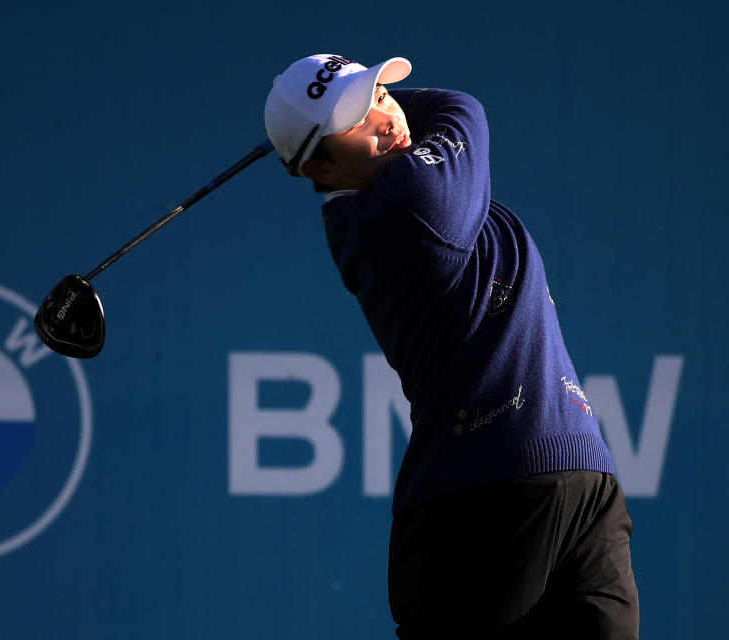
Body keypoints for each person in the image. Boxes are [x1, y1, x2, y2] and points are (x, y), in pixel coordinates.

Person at [263, 54, 639, 639]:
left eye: (381, 97)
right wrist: (375, 98)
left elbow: (427, 116)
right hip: (478, 499)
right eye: (357, 120)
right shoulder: (407, 206)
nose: (386, 118)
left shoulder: (395, 186)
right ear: (321, 168)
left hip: (579, 479)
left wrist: (360, 100)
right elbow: (462, 108)